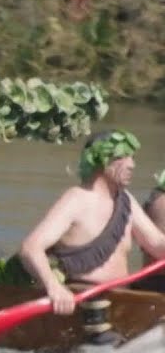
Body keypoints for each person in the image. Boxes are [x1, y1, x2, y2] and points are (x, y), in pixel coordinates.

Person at [19, 130, 165, 315]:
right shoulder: (76, 199)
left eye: (132, 158)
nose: (131, 165)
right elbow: (30, 248)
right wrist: (54, 287)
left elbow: (157, 245)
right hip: (83, 301)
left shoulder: (126, 200)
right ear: (99, 160)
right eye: (121, 157)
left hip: (122, 299)